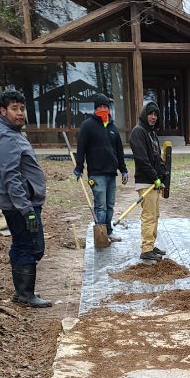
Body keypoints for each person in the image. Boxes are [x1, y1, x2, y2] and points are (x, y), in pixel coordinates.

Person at [0, 88, 52, 308]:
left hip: (21, 202)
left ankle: (22, 292)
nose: (19, 113)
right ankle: (26, 294)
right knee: (31, 247)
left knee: (21, 244)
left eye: (22, 108)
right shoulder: (6, 137)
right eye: (14, 109)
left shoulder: (13, 133)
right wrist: (26, 210)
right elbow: (11, 176)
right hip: (20, 205)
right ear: (3, 110)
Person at [74, 93, 128, 244]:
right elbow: (81, 148)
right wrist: (79, 167)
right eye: (100, 107)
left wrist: (123, 169)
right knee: (101, 206)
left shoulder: (112, 128)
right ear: (95, 109)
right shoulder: (88, 126)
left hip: (111, 173)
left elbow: (119, 151)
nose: (103, 109)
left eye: (105, 107)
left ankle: (108, 232)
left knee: (110, 205)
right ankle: (101, 236)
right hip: (97, 175)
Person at [129, 102, 168, 263]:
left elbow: (156, 158)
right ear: (145, 114)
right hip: (146, 182)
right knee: (149, 216)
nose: (153, 117)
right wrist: (154, 177)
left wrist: (162, 172)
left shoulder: (152, 134)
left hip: (154, 182)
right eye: (151, 113)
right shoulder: (138, 132)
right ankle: (146, 249)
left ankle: (151, 246)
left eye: (156, 114)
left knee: (155, 215)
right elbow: (142, 159)